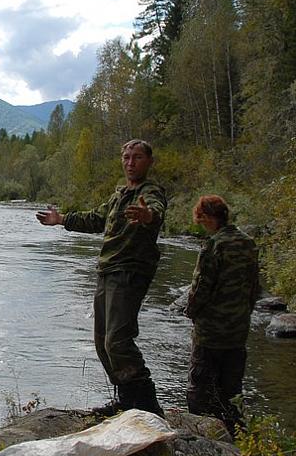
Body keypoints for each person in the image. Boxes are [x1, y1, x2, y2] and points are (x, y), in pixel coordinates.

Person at [35, 139, 166, 416]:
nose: (131, 163)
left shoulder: (150, 192)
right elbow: (95, 219)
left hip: (129, 271)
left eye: (137, 158)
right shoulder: (119, 194)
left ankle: (146, 405)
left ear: (149, 162)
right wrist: (61, 220)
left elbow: (155, 212)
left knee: (117, 341)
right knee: (102, 341)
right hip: (107, 270)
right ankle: (125, 399)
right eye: (127, 157)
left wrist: (147, 216)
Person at [183, 195, 259, 436]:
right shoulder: (248, 243)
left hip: (210, 332)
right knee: (232, 393)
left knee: (200, 391)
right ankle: (237, 437)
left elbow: (201, 288)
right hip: (238, 330)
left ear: (205, 216)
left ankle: (200, 439)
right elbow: (254, 287)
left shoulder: (213, 246)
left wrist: (190, 312)